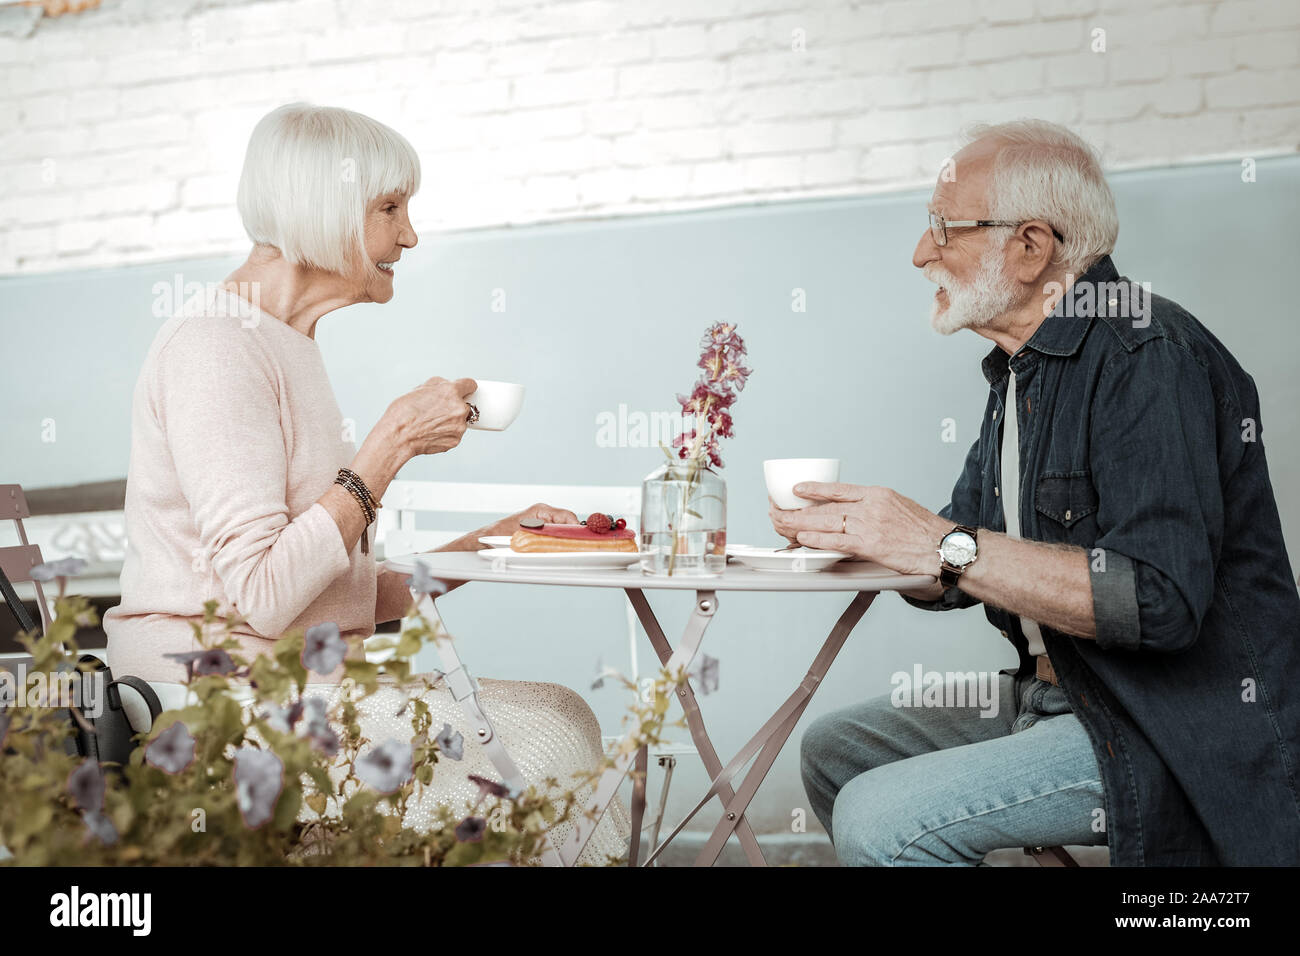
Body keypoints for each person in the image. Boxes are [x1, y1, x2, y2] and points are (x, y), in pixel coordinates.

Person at [102, 102, 629, 864]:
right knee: (543, 744)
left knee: (565, 713)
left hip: (293, 680)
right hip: (214, 708)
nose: (409, 235)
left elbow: (326, 591)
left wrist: (487, 544)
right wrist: (388, 448)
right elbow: (263, 593)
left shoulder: (286, 343)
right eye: (390, 208)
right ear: (322, 210)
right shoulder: (215, 348)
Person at [773, 119, 1300, 866]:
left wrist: (937, 543)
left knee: (879, 817)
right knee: (838, 749)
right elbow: (965, 559)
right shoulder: (1019, 370)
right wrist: (864, 538)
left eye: (942, 228)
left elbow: (1159, 599)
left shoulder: (1146, 356)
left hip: (1168, 724)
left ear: (1030, 247)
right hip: (1058, 693)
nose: (921, 253)